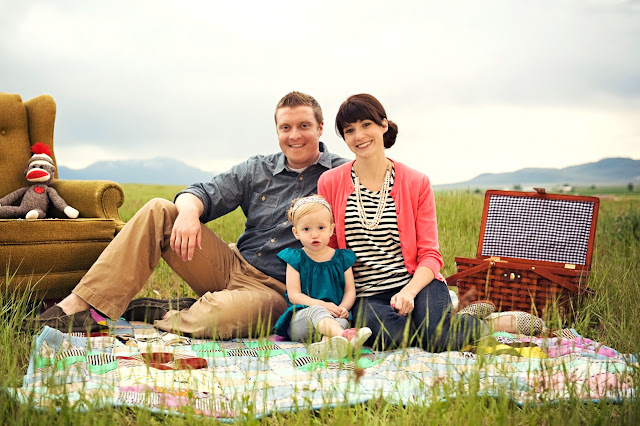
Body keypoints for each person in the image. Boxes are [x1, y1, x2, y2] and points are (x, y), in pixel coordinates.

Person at [31, 91, 348, 339]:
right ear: (277, 131)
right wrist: (187, 213)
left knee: (216, 318)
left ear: (320, 128)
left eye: (304, 126)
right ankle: (79, 306)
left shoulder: (342, 174)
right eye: (286, 127)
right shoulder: (258, 168)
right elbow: (202, 192)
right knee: (159, 209)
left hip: (277, 289)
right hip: (232, 265)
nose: (294, 135)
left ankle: (169, 313)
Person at [318, 93, 541, 352]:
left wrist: (409, 292)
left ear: (383, 125)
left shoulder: (416, 182)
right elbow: (328, 249)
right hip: (367, 294)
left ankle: (489, 323)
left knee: (436, 340)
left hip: (418, 283)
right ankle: (445, 319)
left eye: (366, 124)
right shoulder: (330, 182)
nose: (359, 136)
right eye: (349, 130)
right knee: (389, 338)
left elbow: (430, 255)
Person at [271, 195, 372, 358]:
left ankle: (329, 346)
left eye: (321, 228)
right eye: (306, 229)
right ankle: (345, 336)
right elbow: (294, 295)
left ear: (331, 229)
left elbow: (349, 290)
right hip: (302, 320)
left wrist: (343, 308)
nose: (314, 235)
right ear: (296, 232)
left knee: (341, 321)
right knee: (317, 311)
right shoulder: (296, 258)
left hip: (333, 317)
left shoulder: (341, 258)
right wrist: (322, 305)